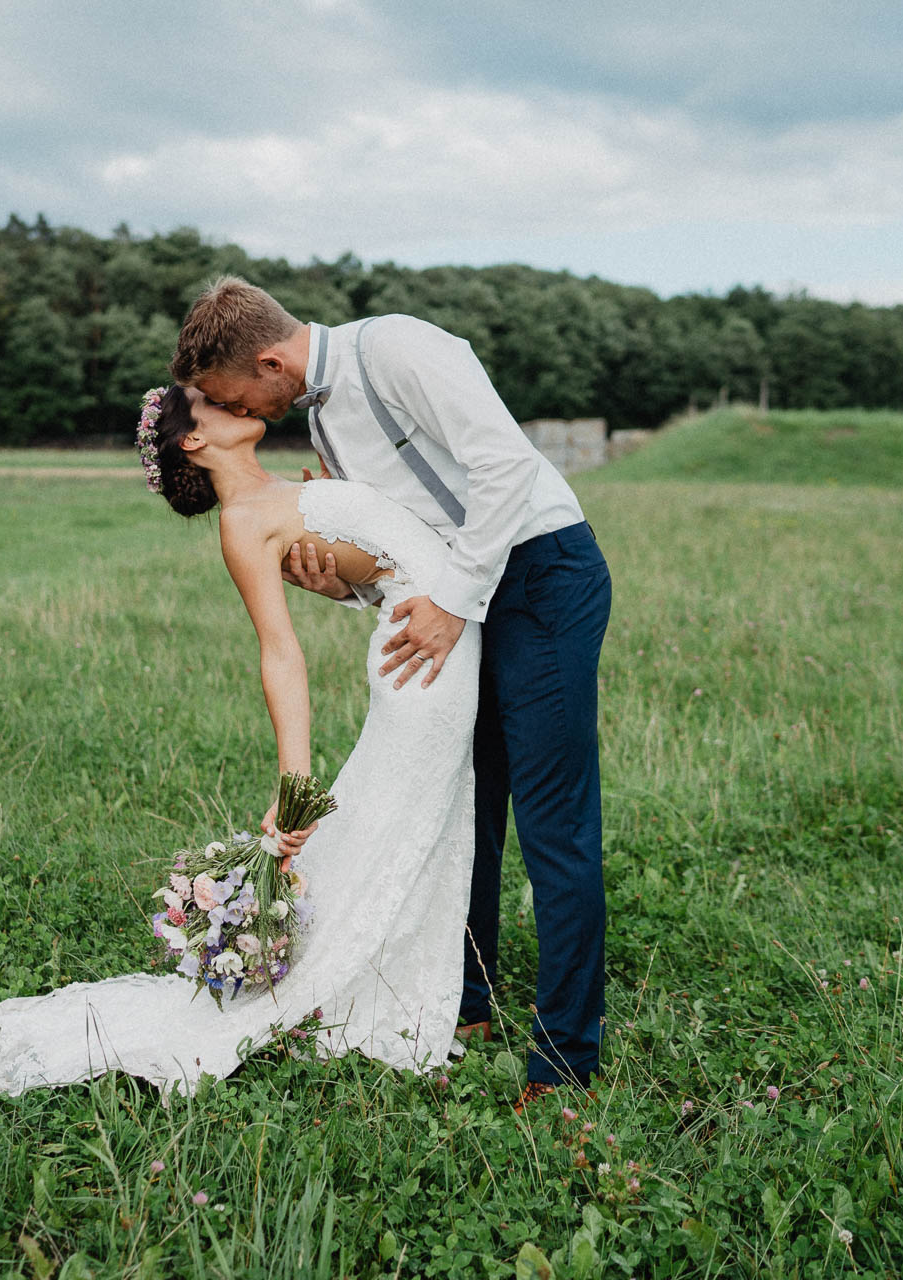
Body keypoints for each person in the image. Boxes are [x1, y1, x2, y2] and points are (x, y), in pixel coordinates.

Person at [0, 384, 481, 1096]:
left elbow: (384, 558)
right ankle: (367, 1001)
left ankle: (384, 993)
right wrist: (296, 783)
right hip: (423, 664)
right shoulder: (242, 521)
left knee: (415, 827)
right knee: (409, 826)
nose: (235, 398)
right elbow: (279, 651)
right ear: (195, 442)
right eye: (212, 402)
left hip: (427, 633)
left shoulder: (288, 487)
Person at [171, 277, 612, 1109]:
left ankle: (565, 1058)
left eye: (235, 395)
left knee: (555, 822)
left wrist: (453, 602)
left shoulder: (401, 347)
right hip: (462, 606)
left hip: (542, 574)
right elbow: (402, 555)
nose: (240, 410)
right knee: (468, 806)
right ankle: (470, 1003)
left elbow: (504, 465)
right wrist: (335, 582)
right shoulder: (324, 419)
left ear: (270, 362)